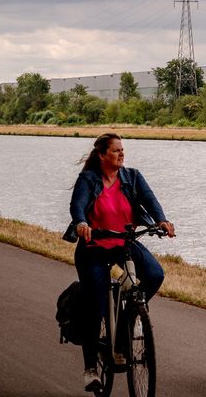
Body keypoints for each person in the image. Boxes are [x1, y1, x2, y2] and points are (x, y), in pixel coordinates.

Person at [64, 133, 175, 393]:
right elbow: (77, 204)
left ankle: (126, 324)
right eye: (116, 151)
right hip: (94, 247)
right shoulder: (89, 179)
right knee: (96, 305)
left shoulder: (132, 177)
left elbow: (150, 200)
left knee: (154, 274)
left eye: (122, 150)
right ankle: (91, 367)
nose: (121, 154)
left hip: (124, 242)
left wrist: (161, 220)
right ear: (102, 155)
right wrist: (81, 223)